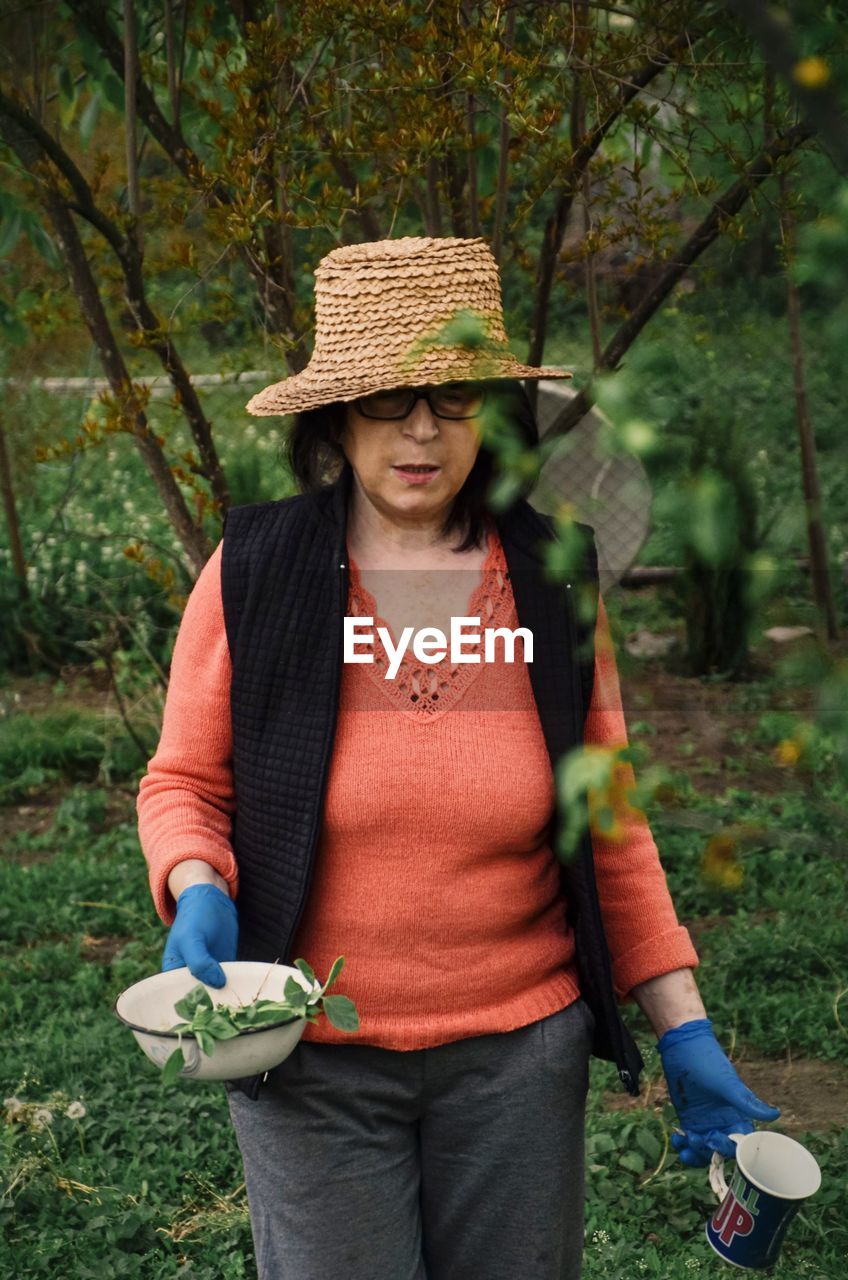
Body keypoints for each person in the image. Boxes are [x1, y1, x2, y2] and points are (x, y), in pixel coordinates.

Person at [137, 236, 779, 1280]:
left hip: (517, 1064)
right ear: (336, 417)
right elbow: (183, 782)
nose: (423, 430)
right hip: (310, 1059)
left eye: (453, 395)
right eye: (391, 399)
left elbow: (605, 820)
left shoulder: (551, 576)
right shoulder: (255, 571)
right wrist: (196, 877)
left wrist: (683, 1029)